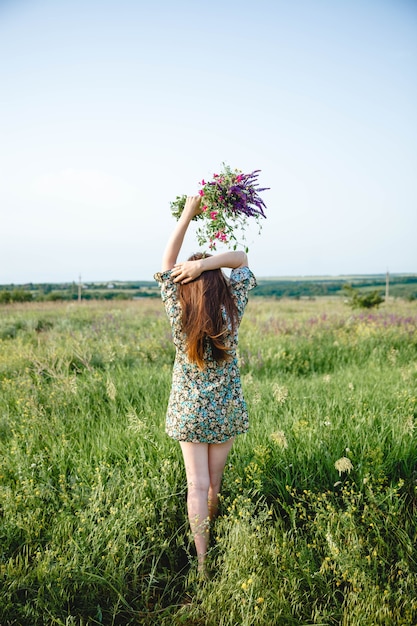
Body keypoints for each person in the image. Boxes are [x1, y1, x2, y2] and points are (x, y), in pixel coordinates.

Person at [154, 195, 256, 577]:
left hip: (189, 410)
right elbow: (241, 258)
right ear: (220, 286)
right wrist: (207, 264)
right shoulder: (233, 309)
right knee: (213, 485)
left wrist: (186, 215)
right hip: (226, 408)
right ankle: (212, 544)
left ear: (187, 285)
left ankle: (201, 565)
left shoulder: (179, 311)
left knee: (195, 485)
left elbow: (166, 264)